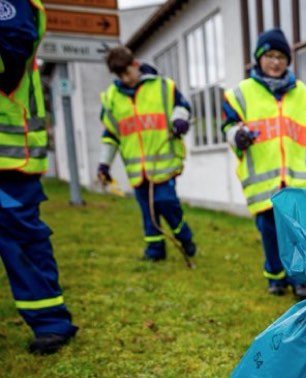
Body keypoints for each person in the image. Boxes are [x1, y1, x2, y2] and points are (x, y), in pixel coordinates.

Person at [221, 28, 306, 300]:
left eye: (281, 56)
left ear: (288, 61)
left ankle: (300, 281)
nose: (275, 62)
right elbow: (227, 127)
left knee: (298, 234)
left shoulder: (305, 97)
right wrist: (238, 136)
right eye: (269, 56)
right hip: (262, 182)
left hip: (299, 182)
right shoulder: (241, 94)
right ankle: (275, 278)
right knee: (269, 232)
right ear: (258, 59)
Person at [0, 0, 79, 355]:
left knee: (20, 238)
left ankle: (49, 321)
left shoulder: (12, 5)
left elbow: (11, 57)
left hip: (8, 159)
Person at [97, 46, 196, 262]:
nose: (125, 79)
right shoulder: (112, 98)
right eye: (120, 76)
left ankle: (184, 237)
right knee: (147, 211)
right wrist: (104, 164)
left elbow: (182, 107)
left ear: (135, 64)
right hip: (137, 169)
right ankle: (155, 251)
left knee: (166, 203)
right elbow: (111, 134)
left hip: (163, 163)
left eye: (127, 72)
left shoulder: (163, 87)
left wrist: (179, 120)